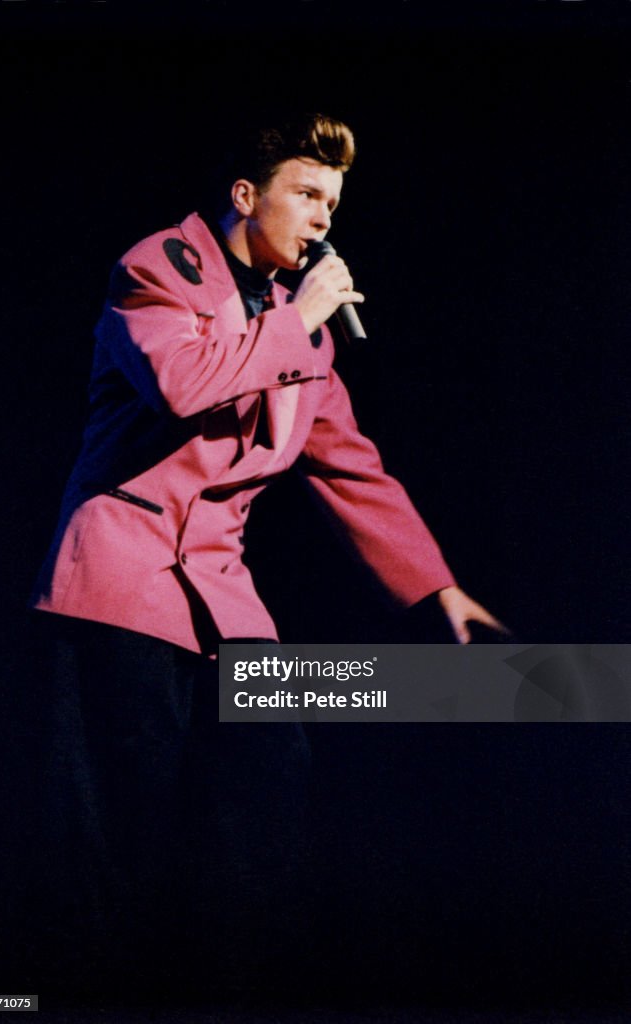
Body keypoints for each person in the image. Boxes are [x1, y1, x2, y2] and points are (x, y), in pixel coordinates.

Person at [31, 112, 504, 1001]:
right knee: (118, 824)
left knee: (267, 788)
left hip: (224, 599)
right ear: (246, 198)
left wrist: (435, 586)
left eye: (333, 201)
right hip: (121, 586)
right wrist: (304, 320)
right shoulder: (157, 269)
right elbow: (183, 383)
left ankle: (233, 993)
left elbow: (350, 467)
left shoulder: (303, 333)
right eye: (306, 194)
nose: (324, 217)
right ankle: (86, 999)